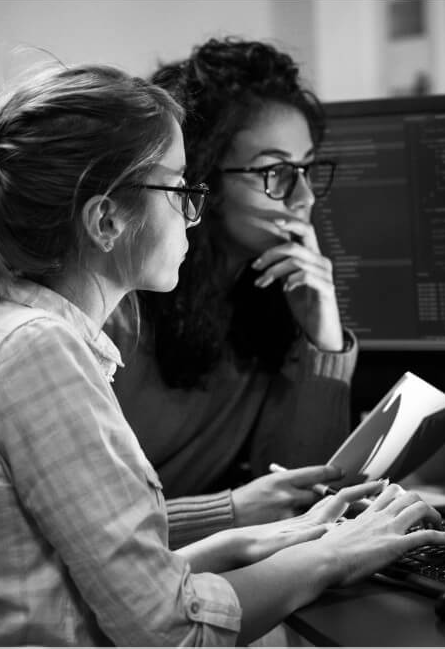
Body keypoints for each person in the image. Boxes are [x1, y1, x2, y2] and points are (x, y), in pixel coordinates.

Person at [0, 60, 445, 646]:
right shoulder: (40, 353)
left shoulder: (28, 336)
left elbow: (92, 564)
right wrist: (333, 559)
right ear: (107, 219)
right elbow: (172, 632)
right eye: (181, 189)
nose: (194, 211)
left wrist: (261, 538)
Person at [108, 38, 358, 544]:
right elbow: (78, 533)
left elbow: (300, 494)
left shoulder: (265, 301)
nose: (304, 197)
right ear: (198, 179)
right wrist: (230, 511)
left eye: (306, 169)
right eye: (274, 172)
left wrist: (323, 342)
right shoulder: (117, 307)